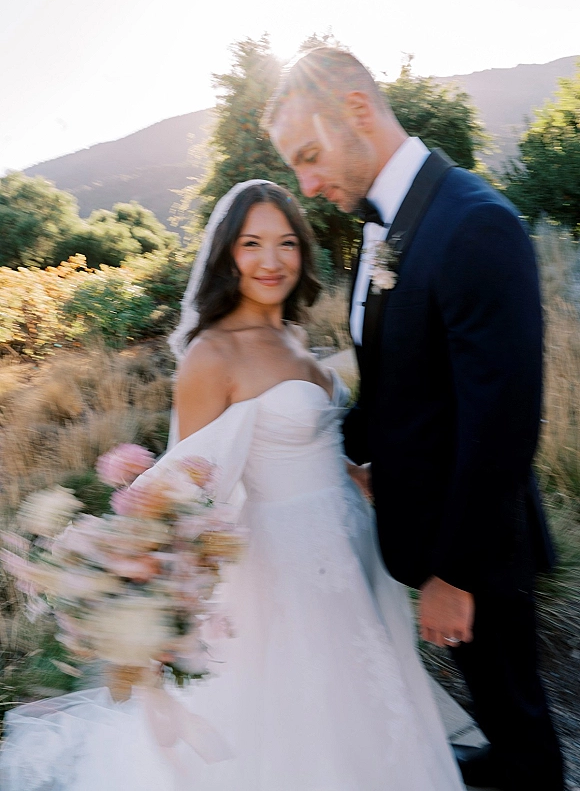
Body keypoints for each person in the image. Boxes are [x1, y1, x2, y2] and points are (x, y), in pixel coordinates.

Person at [0, 180, 465, 791]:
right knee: (301, 725)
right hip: (284, 570)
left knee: (369, 701)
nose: (271, 261)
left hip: (351, 551)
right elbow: (191, 488)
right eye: (251, 243)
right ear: (226, 254)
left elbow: (304, 443)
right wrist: (149, 591)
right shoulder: (212, 356)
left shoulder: (294, 336)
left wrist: (358, 475)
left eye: (286, 243)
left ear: (303, 251)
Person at [265, 47, 565, 791]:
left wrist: (452, 575)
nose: (305, 184)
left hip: (476, 552)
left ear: (358, 111)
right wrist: (339, 449)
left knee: (522, 720)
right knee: (496, 705)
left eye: (309, 156)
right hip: (433, 530)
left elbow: (501, 423)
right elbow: (407, 386)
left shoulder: (473, 223)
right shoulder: (392, 226)